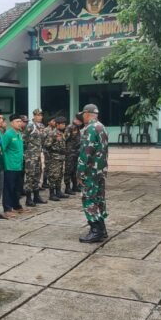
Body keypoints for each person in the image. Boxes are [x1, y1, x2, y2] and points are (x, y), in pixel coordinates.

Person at [77, 104, 109, 243]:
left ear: (87, 114)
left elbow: (86, 153)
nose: (82, 117)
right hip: (100, 170)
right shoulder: (101, 127)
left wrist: (79, 172)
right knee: (99, 199)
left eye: (83, 115)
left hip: (90, 171)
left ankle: (96, 231)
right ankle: (102, 229)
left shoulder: (90, 128)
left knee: (89, 199)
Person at [3, 114, 27, 215]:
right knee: (9, 188)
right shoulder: (8, 134)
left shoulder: (19, 133)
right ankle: (7, 208)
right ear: (11, 123)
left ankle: (16, 206)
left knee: (18, 187)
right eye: (17, 122)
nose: (19, 123)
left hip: (19, 165)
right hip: (10, 166)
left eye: (20, 121)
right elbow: (2, 149)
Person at [23, 109, 48, 207]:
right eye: (38, 115)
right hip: (30, 155)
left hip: (38, 154)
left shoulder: (42, 126)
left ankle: (36, 196)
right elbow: (24, 139)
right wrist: (27, 151)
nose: (40, 117)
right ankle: (28, 198)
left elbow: (44, 139)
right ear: (34, 116)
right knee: (30, 176)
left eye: (41, 115)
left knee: (37, 174)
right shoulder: (30, 126)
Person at [44, 117, 70, 201]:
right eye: (62, 124)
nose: (64, 125)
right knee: (53, 175)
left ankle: (58, 192)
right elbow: (47, 145)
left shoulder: (61, 133)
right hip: (54, 158)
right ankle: (52, 194)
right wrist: (55, 149)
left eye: (64, 124)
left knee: (59, 175)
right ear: (57, 124)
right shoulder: (53, 133)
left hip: (61, 157)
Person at [64, 112, 84, 195]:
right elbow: (64, 139)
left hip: (76, 152)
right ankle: (67, 188)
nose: (81, 123)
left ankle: (75, 186)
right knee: (68, 170)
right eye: (80, 121)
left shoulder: (77, 127)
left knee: (75, 170)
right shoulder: (70, 127)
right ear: (76, 120)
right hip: (69, 153)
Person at [42, 117, 57, 189]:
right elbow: (43, 140)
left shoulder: (55, 129)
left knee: (53, 167)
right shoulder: (46, 130)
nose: (54, 122)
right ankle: (44, 182)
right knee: (47, 166)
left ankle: (51, 182)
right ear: (49, 122)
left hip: (53, 151)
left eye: (55, 121)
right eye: (53, 121)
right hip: (47, 151)